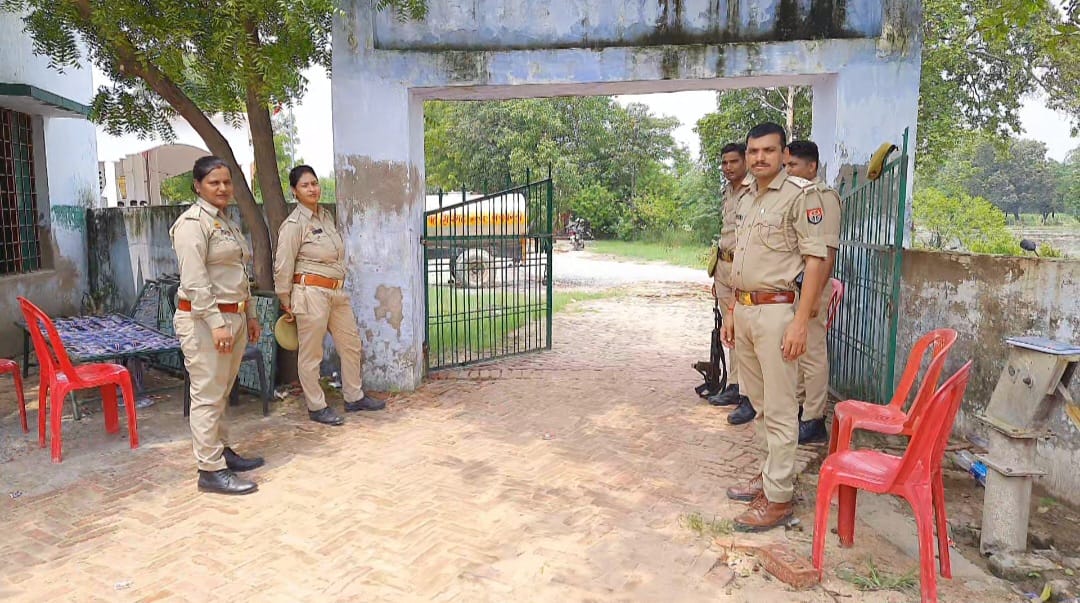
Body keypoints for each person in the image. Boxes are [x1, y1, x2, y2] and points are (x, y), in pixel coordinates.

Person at [721, 123, 830, 531]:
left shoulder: (802, 197)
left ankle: (779, 498)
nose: (759, 158)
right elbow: (739, 259)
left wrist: (802, 320)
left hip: (779, 312)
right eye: (753, 152)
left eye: (768, 151)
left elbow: (817, 260)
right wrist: (732, 311)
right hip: (747, 311)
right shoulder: (747, 198)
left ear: (784, 154)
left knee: (783, 409)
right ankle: (769, 478)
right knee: (762, 406)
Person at [170, 156, 264, 495]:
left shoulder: (227, 223)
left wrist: (250, 315)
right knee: (208, 394)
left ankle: (221, 451)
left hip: (234, 316)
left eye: (226, 182)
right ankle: (209, 470)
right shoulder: (191, 224)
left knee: (222, 390)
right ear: (197, 185)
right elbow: (195, 282)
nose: (222, 188)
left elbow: (239, 275)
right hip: (206, 320)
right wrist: (216, 324)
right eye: (214, 182)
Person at [274, 165, 384, 426]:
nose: (312, 189)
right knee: (312, 354)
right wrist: (285, 299)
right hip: (310, 292)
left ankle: (354, 397)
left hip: (336, 292)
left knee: (351, 344)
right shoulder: (294, 225)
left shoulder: (324, 217)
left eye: (314, 183)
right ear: (294, 191)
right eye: (305, 185)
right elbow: (283, 264)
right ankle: (316, 405)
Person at [784, 140, 843, 445]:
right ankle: (800, 408)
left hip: (812, 288)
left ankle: (814, 418)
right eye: (787, 166)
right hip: (793, 287)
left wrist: (815, 297)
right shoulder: (793, 196)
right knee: (796, 354)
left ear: (811, 167)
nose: (788, 171)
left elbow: (827, 252)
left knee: (813, 354)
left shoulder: (823, 198)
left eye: (793, 165)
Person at [706, 142, 756, 426]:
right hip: (724, 266)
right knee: (731, 330)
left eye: (733, 162)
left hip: (744, 268)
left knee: (746, 332)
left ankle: (751, 397)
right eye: (724, 163)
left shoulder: (755, 189)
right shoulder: (728, 190)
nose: (728, 168)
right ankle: (736, 385)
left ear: (745, 161)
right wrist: (717, 273)